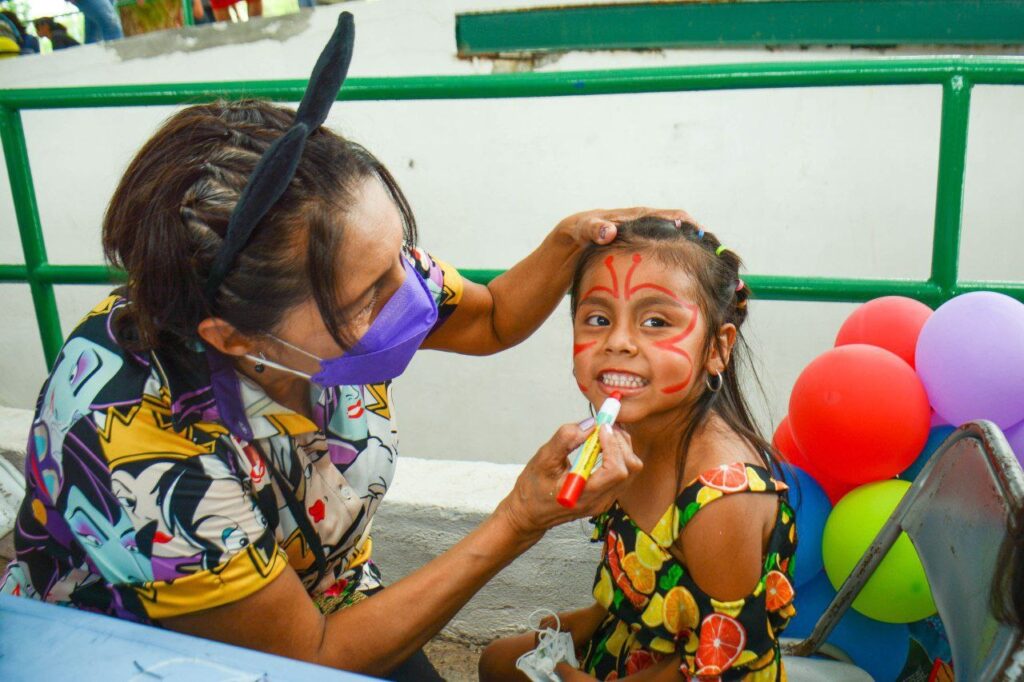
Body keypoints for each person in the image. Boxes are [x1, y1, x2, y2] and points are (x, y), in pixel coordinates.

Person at [0, 15, 684, 680]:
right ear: (235, 338)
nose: (416, 295)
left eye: (401, 259)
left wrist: (569, 241)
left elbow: (494, 317)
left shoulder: (348, 266)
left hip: (332, 597)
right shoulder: (144, 460)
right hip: (154, 647)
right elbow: (311, 657)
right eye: (372, 295)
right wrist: (517, 520)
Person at [480, 217, 798, 680]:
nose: (618, 342)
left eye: (655, 321)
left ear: (717, 348)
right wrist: (581, 625)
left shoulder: (721, 500)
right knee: (497, 663)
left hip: (705, 671)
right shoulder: (633, 435)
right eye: (598, 319)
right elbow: (638, 586)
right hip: (630, 641)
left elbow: (722, 664)